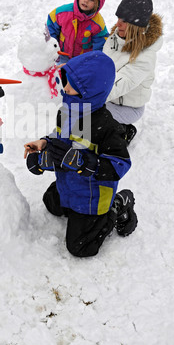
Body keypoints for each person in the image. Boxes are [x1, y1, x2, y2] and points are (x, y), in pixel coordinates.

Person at [24, 51, 137, 258]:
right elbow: (59, 140)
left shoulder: (107, 127)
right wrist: (44, 147)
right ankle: (71, 201)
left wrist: (85, 163)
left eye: (71, 87)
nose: (64, 89)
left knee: (80, 246)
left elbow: (120, 164)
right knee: (51, 202)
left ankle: (118, 206)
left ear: (89, 92)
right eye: (65, 83)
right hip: (70, 184)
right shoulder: (67, 112)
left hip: (93, 196)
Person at [104, 0, 163, 144]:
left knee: (88, 115)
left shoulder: (146, 57)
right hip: (109, 99)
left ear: (136, 25)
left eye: (123, 20)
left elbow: (122, 82)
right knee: (78, 111)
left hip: (128, 108)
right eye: (118, 18)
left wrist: (91, 95)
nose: (118, 24)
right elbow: (101, 66)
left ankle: (122, 132)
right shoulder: (115, 39)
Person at [47, 0, 109, 64]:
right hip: (63, 55)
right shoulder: (64, 13)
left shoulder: (97, 23)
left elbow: (100, 43)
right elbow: (51, 24)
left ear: (97, 4)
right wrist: (53, 47)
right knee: (61, 75)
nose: (86, 0)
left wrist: (94, 61)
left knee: (77, 77)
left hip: (83, 60)